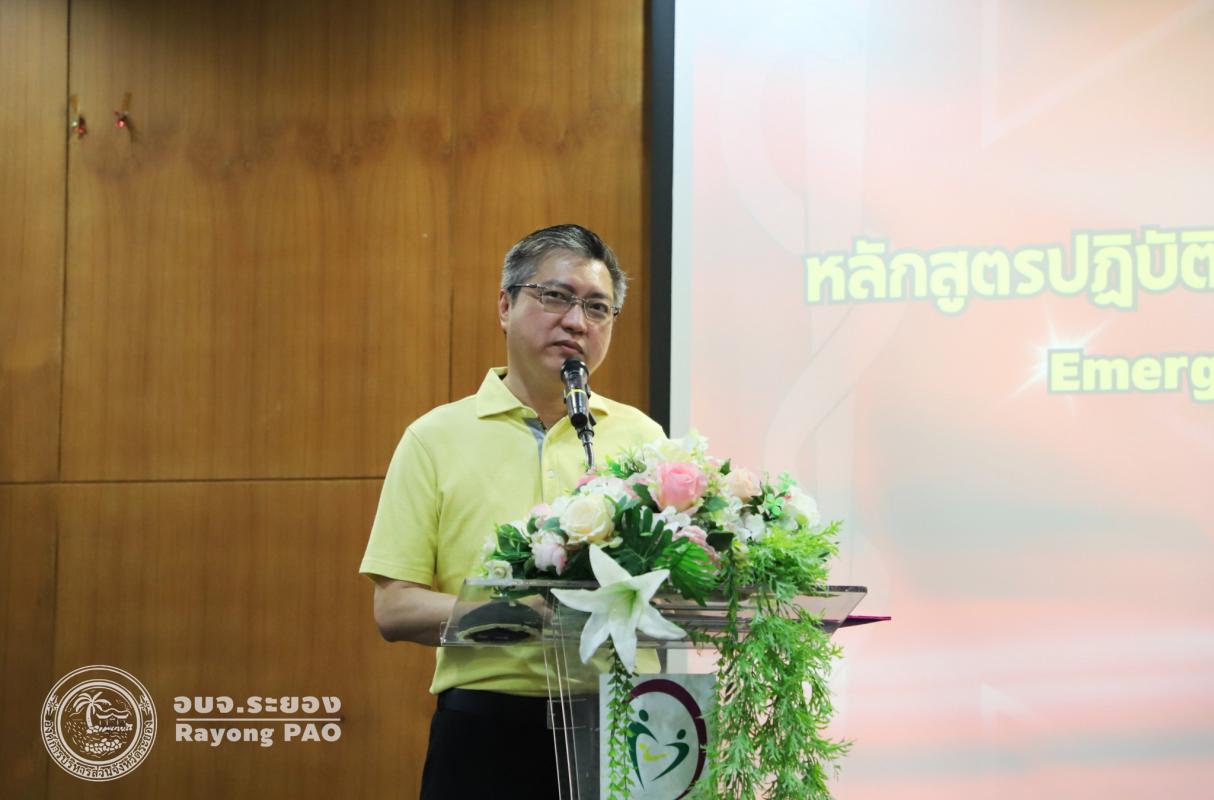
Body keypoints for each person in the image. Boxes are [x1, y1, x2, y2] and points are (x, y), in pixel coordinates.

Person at [359, 224, 666, 799]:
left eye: (598, 307)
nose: (577, 321)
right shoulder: (434, 438)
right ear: (505, 306)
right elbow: (394, 608)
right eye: (556, 297)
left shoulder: (644, 440)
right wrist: (519, 617)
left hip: (622, 724)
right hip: (486, 733)